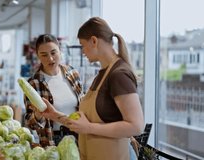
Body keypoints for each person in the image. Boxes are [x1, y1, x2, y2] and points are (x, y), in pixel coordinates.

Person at [40, 17, 144, 160]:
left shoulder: (119, 75)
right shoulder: (101, 75)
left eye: (83, 45)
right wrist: (54, 115)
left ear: (94, 41)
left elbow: (136, 126)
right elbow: (83, 123)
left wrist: (89, 128)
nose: (83, 51)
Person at [23, 34, 84, 147]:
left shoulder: (72, 73)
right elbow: (30, 124)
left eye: (53, 52)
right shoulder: (34, 84)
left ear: (60, 50)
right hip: (53, 141)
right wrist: (37, 115)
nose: (50, 59)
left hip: (80, 136)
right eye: (44, 55)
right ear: (38, 56)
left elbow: (83, 105)